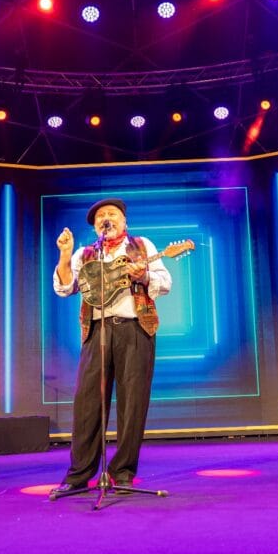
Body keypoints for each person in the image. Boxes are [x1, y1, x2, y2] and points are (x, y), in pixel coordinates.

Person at [50, 198, 172, 494]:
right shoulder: (85, 254)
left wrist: (143, 275)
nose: (107, 218)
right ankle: (79, 474)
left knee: (133, 402)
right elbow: (65, 288)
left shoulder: (142, 245)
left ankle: (124, 472)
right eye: (101, 216)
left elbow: (165, 282)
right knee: (88, 404)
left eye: (113, 214)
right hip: (97, 330)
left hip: (135, 329)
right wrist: (65, 255)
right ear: (95, 226)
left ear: (124, 221)